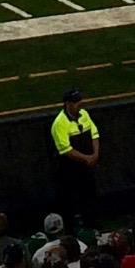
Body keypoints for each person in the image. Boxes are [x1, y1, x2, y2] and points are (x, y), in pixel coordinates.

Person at [46, 89, 100, 224]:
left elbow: (94, 134)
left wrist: (95, 154)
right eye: (76, 102)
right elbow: (66, 150)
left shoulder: (84, 114)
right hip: (69, 170)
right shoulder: (59, 123)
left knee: (89, 196)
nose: (80, 104)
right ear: (67, 104)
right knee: (70, 200)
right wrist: (87, 158)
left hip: (86, 167)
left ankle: (91, 223)